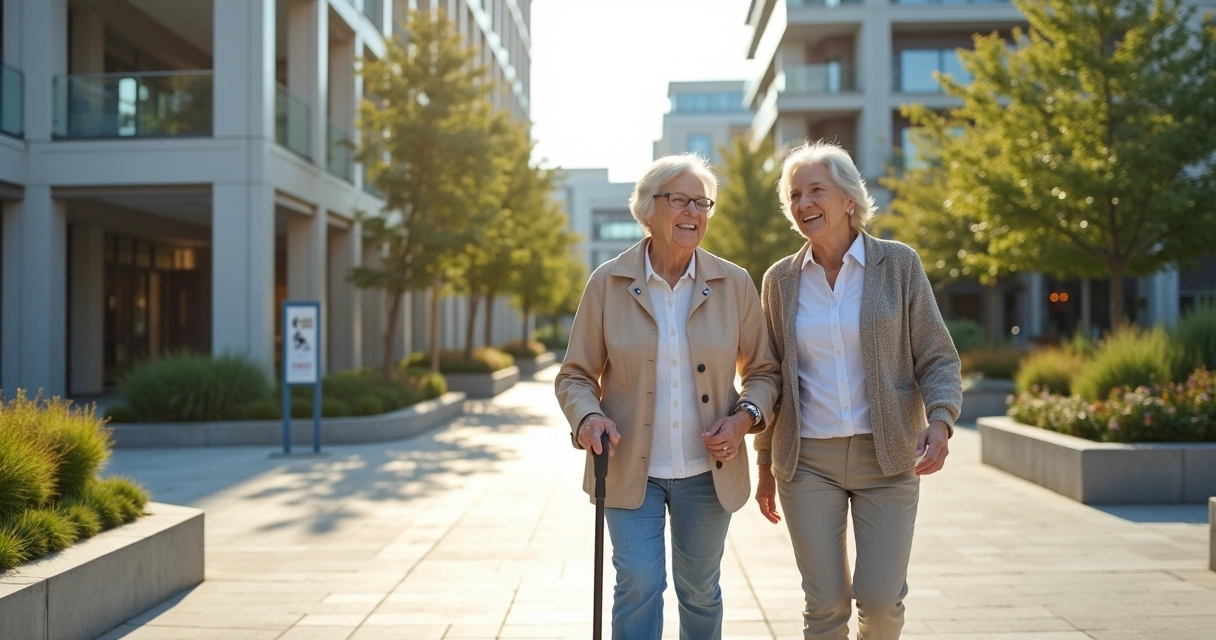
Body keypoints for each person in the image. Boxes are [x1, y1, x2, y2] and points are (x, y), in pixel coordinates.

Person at [556, 154, 781, 640]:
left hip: (708, 473)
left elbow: (764, 372)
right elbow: (575, 375)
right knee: (639, 582)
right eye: (679, 199)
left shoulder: (734, 283)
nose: (693, 212)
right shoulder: (608, 282)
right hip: (626, 468)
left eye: (702, 203)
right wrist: (587, 417)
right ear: (647, 210)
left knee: (700, 589)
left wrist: (744, 418)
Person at [754, 140, 962, 639]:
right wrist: (763, 464)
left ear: (848, 198)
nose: (803, 204)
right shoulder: (779, 281)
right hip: (807, 463)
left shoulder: (899, 265)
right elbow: (770, 375)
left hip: (889, 458)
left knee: (882, 602)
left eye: (815, 191)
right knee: (824, 606)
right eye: (795, 196)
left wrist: (941, 420)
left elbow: (937, 355)